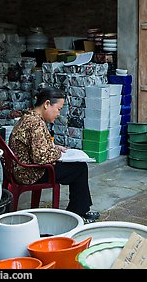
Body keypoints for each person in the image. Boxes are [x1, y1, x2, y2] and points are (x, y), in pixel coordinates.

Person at [8, 86, 100, 223]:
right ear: (46, 104)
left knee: (77, 167)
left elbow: (35, 146)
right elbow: (40, 157)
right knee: (79, 169)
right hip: (30, 172)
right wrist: (57, 153)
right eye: (58, 109)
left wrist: (53, 147)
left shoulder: (29, 117)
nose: (58, 114)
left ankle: (82, 209)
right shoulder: (35, 123)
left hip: (23, 168)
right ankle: (77, 213)